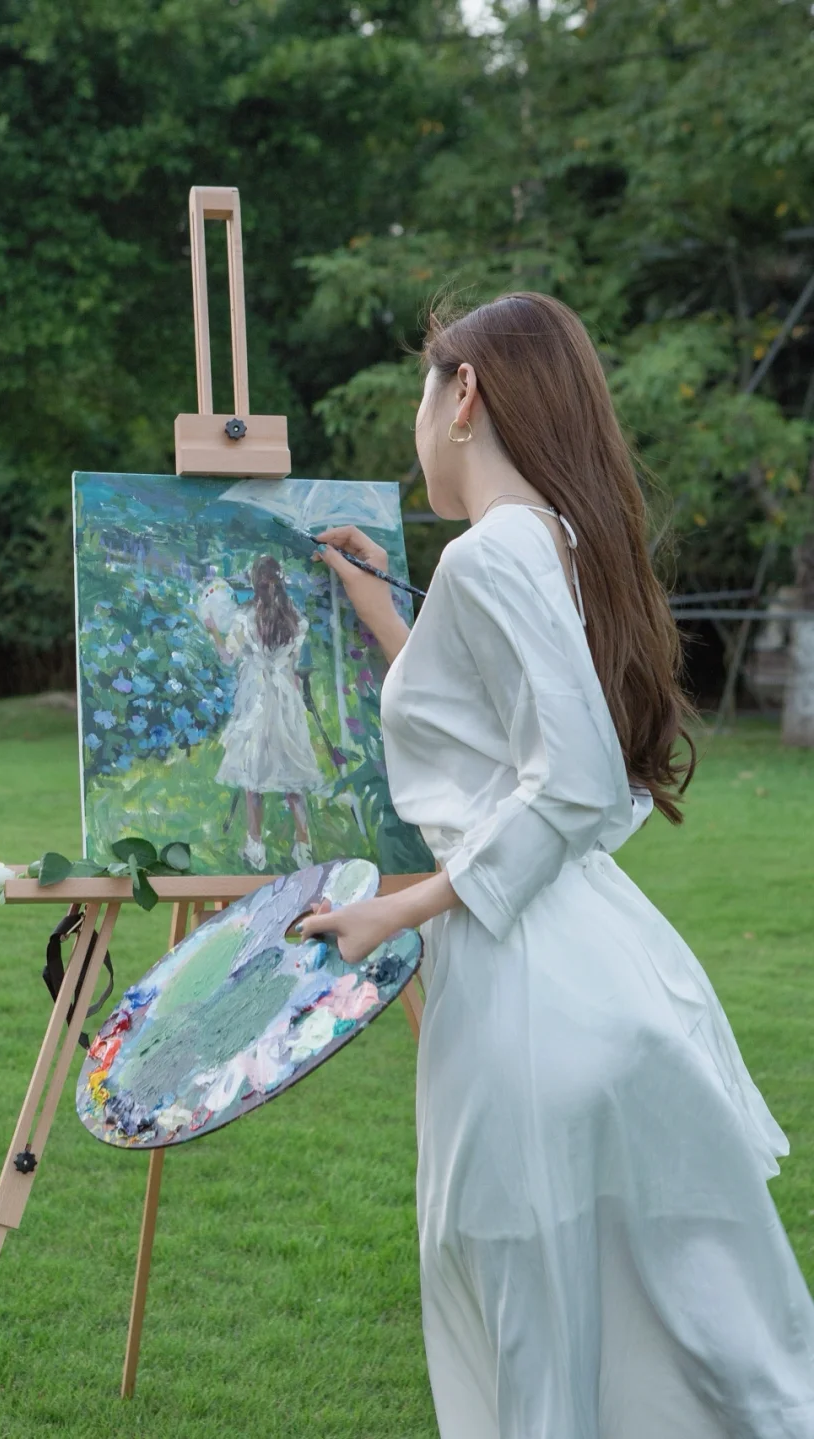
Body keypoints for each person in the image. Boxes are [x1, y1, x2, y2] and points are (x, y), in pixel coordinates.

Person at [300, 293, 814, 1437]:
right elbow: (498, 739)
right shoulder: (544, 541)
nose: (417, 430)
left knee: (535, 1315)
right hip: (578, 964)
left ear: (465, 394)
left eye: (422, 397)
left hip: (530, 983)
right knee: (661, 1322)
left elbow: (574, 775)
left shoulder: (495, 552)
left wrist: (402, 909)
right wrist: (385, 612)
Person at [206, 553, 324, 872]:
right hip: (284, 698)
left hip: (256, 697)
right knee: (292, 774)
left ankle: (256, 846)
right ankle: (303, 846)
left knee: (253, 776)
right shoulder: (295, 620)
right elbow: (293, 666)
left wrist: (213, 630)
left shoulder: (244, 619)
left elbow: (227, 658)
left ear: (254, 583)